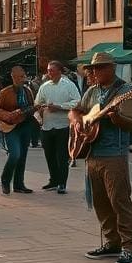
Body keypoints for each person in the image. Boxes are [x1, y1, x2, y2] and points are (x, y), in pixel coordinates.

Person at [71, 51, 132, 263]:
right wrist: (77, 121)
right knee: (100, 202)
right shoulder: (91, 91)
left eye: (101, 68)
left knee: (119, 200)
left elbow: (131, 124)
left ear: (112, 68)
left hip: (114, 154)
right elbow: (76, 111)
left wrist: (116, 117)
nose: (96, 72)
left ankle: (130, 246)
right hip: (92, 152)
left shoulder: (125, 91)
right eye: (94, 69)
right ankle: (112, 242)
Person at [34, 61, 81, 194]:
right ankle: (53, 179)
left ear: (60, 71)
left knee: (61, 155)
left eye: (52, 70)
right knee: (49, 155)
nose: (50, 73)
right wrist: (40, 111)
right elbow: (38, 102)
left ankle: (62, 182)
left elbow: (77, 101)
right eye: (48, 70)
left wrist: (60, 106)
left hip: (63, 124)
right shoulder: (45, 86)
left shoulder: (69, 85)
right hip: (47, 125)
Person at [0, 65, 37, 195]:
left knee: (22, 156)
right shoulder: (5, 92)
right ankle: (5, 180)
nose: (21, 79)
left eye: (23, 76)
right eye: (18, 77)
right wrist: (9, 115)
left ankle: (19, 184)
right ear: (12, 77)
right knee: (15, 154)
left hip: (25, 125)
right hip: (11, 127)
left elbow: (30, 106)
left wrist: (36, 109)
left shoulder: (28, 91)